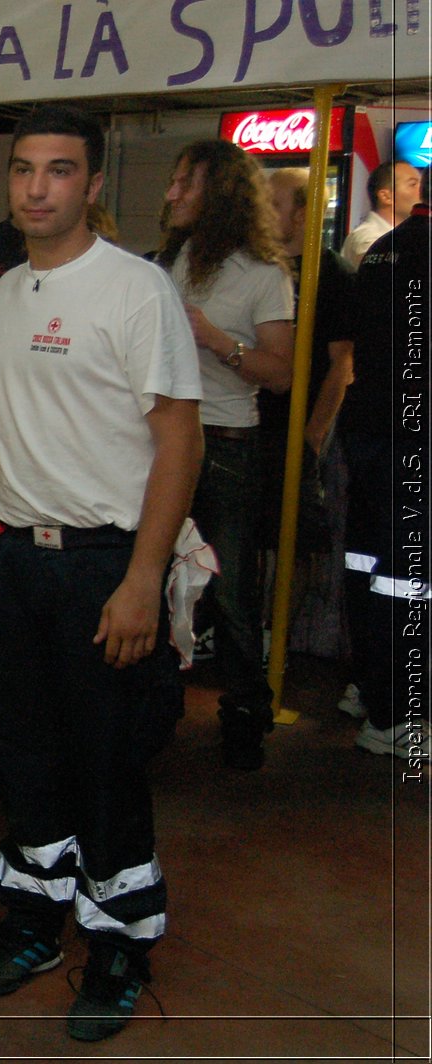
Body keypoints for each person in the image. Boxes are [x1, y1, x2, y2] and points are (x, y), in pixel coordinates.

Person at [0, 105, 201, 1043]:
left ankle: (119, 944)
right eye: (24, 169)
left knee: (106, 765)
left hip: (105, 563)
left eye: (59, 171)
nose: (36, 188)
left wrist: (144, 577)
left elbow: (178, 440)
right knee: (23, 759)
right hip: (17, 559)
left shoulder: (135, 291)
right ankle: (33, 923)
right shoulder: (6, 292)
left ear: (93, 184)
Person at [157, 139, 295, 771]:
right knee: (153, 579)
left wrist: (216, 341)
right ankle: (153, 708)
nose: (172, 194)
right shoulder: (166, 262)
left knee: (232, 589)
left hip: (228, 445)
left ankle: (245, 713)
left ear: (219, 195)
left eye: (186, 183)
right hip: (161, 441)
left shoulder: (264, 275)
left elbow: (281, 373)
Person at [336, 198, 429, 757]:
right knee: (408, 575)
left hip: (370, 425)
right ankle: (395, 714)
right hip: (412, 436)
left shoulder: (384, 249)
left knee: (368, 562)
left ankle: (368, 686)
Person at [259, 168, 355, 647]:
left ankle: (275, 639)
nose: (263, 213)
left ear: (303, 212)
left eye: (273, 204)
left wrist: (313, 436)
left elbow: (342, 365)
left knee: (290, 540)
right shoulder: (256, 267)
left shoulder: (331, 273)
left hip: (294, 426)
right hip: (251, 420)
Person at [341, 161, 422, 267]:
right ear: (386, 197)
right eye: (413, 184)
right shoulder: (368, 238)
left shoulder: (403, 236)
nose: (422, 190)